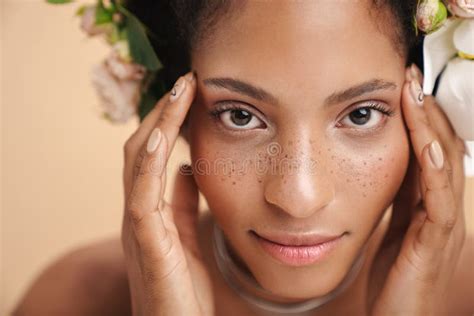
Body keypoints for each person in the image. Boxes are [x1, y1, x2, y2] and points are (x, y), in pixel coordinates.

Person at [13, 0, 474, 315]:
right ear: (176, 115)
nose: (298, 197)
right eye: (239, 116)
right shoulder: (74, 299)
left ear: (429, 109)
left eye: (360, 115)